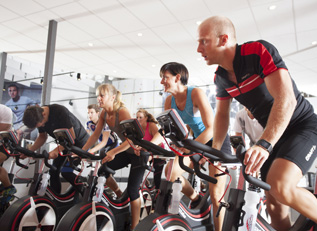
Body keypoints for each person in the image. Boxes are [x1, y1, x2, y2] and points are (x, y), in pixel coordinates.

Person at [197, 15, 317, 231]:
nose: (199, 49)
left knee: (281, 187)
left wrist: (265, 144)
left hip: (302, 126)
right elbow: (221, 115)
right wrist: (215, 151)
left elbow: (286, 99)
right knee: (274, 203)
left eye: (204, 41)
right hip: (274, 137)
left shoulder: (257, 52)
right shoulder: (220, 78)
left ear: (223, 39)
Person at [160, 62, 232, 231]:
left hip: (217, 141)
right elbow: (170, 130)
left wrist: (192, 147)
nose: (162, 81)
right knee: (171, 173)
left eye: (165, 77)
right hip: (195, 141)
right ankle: (195, 198)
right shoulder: (169, 101)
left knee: (216, 195)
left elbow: (212, 127)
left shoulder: (196, 93)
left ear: (178, 78)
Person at [82, 84, 154, 230]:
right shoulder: (103, 113)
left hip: (139, 152)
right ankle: (119, 195)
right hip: (127, 151)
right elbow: (96, 134)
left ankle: (135, 226)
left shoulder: (122, 112)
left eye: (102, 95)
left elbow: (132, 139)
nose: (99, 98)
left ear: (113, 97)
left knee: (133, 191)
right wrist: (82, 150)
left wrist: (114, 152)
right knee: (103, 170)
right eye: (98, 95)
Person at [22, 104, 90, 194]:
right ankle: (55, 201)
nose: (43, 126)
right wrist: (29, 151)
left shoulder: (60, 111)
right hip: (65, 144)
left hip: (80, 143)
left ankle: (86, 193)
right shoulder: (38, 117)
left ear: (44, 114)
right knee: (53, 171)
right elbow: (42, 137)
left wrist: (56, 151)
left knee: (66, 172)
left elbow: (72, 137)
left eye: (43, 124)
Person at [136, 108, 165, 189]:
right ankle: (146, 186)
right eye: (137, 117)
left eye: (140, 117)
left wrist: (148, 151)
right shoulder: (138, 128)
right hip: (148, 151)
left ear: (146, 118)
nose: (138, 119)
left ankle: (157, 197)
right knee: (140, 174)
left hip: (158, 151)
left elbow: (158, 142)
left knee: (157, 179)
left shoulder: (151, 125)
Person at [0, 104, 17, 204]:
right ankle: (8, 187)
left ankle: (9, 188)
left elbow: (4, 128)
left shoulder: (4, 110)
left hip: (6, 143)